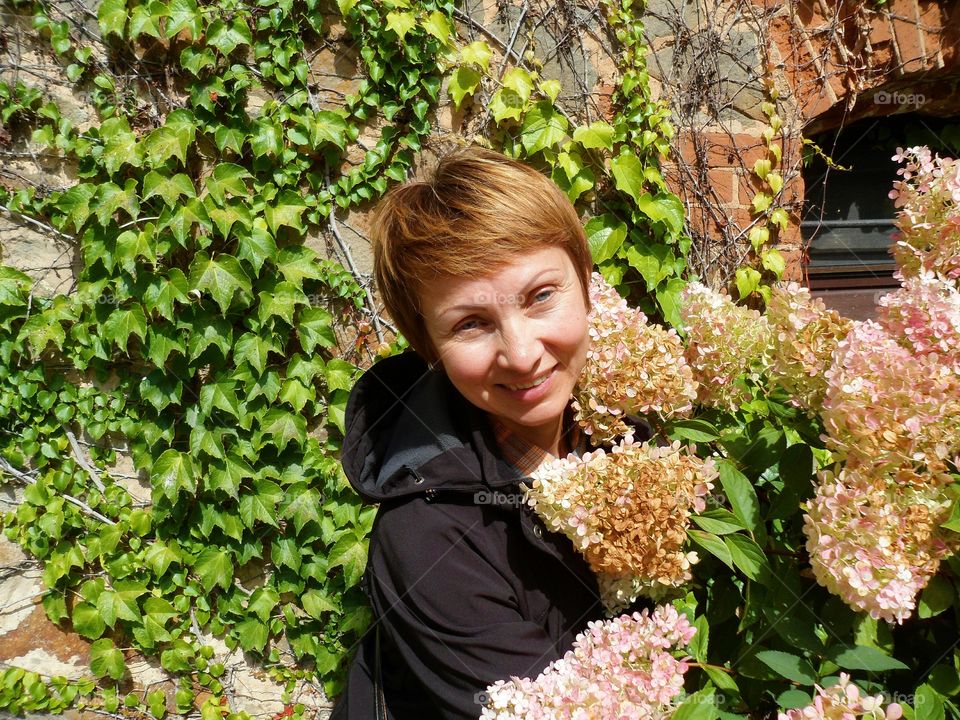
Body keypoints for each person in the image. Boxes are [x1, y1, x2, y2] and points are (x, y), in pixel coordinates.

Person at [330, 147, 606, 720]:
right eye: (471, 324)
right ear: (430, 347)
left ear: (586, 282)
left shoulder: (640, 426)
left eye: (542, 296)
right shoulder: (425, 539)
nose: (523, 355)